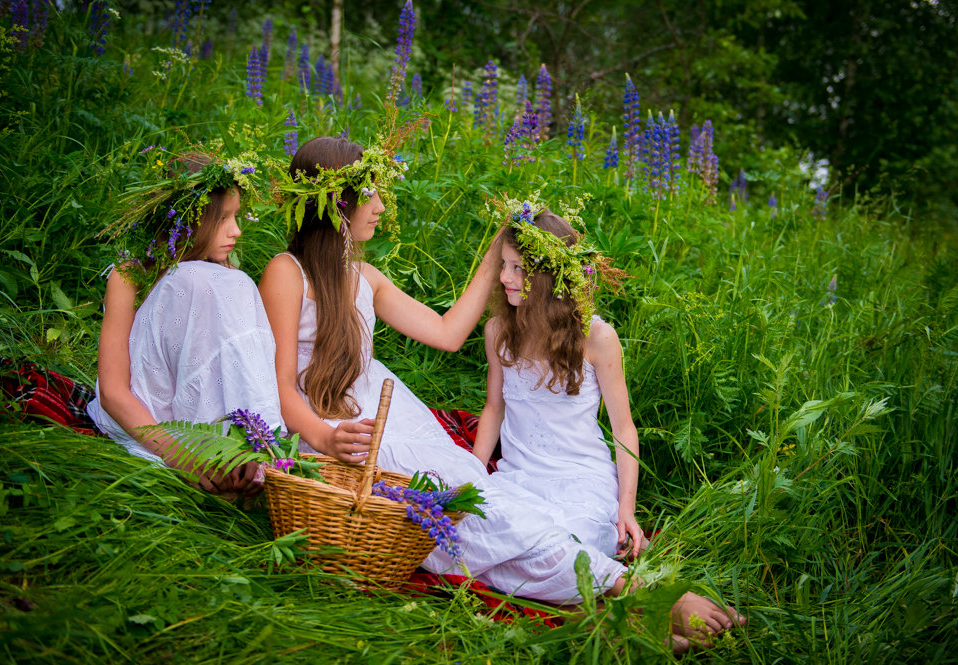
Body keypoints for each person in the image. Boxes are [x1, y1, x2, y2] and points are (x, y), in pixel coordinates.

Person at [259, 136, 745, 647]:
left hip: (388, 406)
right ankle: (635, 594)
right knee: (449, 525)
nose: (380, 206)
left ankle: (618, 598)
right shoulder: (285, 273)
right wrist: (323, 437)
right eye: (372, 195)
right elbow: (282, 387)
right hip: (336, 427)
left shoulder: (364, 276)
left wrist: (496, 257)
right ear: (338, 203)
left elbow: (447, 334)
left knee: (476, 500)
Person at [87, 150, 280, 497]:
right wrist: (182, 455)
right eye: (223, 219)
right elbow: (113, 392)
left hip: (207, 429)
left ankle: (246, 452)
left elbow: (240, 369)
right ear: (189, 220)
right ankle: (219, 460)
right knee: (190, 278)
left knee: (226, 282)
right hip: (147, 423)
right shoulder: (130, 275)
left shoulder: (226, 279)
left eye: (236, 216)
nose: (236, 230)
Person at [471, 204, 646, 561]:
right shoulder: (498, 332)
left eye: (518, 269)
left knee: (569, 547)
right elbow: (494, 408)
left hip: (580, 478)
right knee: (475, 533)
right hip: (519, 476)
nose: (504, 277)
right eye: (504, 265)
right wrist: (472, 472)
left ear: (550, 278)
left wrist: (626, 508)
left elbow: (624, 430)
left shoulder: (596, 337)